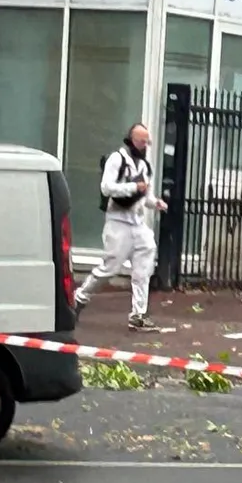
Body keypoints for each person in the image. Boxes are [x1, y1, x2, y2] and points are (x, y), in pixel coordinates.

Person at [75, 123, 167, 330]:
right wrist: (134, 186)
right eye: (141, 141)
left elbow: (145, 196)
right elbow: (106, 188)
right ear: (131, 140)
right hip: (117, 221)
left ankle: (138, 314)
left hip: (137, 222)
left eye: (147, 142)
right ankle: (79, 298)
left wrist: (156, 202)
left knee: (144, 266)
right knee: (110, 267)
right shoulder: (117, 159)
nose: (144, 145)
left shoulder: (145, 166)